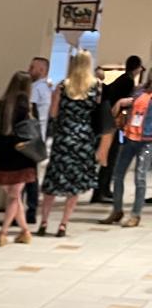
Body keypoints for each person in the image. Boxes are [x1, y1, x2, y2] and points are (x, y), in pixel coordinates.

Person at [39, 51, 102, 238]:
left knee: (53, 181)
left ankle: (44, 221)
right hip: (83, 139)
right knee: (74, 184)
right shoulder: (95, 87)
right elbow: (97, 111)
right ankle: (63, 224)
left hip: (64, 137)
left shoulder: (62, 86)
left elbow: (53, 112)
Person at [0, 71, 37, 245]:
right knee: (14, 197)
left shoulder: (2, 104)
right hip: (21, 154)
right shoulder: (26, 105)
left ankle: (25, 231)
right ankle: (3, 233)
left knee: (13, 195)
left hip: (2, 154)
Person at [102, 69, 152, 227]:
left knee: (140, 177)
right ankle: (117, 210)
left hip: (147, 141)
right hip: (130, 137)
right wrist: (121, 104)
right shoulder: (140, 90)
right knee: (118, 175)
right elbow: (131, 104)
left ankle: (135, 214)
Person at [93, 55, 145, 203]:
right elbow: (122, 102)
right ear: (137, 67)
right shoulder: (127, 80)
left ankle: (103, 189)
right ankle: (101, 191)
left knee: (110, 156)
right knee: (110, 156)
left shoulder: (123, 79)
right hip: (115, 123)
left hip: (111, 122)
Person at [24, 56, 52, 225]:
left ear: (41, 70)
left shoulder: (35, 89)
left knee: (27, 176)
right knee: (31, 175)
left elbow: (30, 111)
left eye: (33, 67)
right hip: (39, 136)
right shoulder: (46, 89)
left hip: (31, 136)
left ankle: (28, 210)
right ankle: (30, 210)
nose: (29, 69)